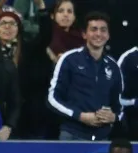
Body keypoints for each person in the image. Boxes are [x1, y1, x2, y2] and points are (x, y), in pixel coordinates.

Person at [48, 11, 123, 142]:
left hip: (102, 138)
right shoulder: (69, 59)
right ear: (84, 34)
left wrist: (114, 117)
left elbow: (119, 105)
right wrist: (79, 116)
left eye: (103, 30)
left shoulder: (113, 66)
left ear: (108, 35)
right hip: (72, 134)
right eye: (93, 29)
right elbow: (52, 99)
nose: (98, 34)